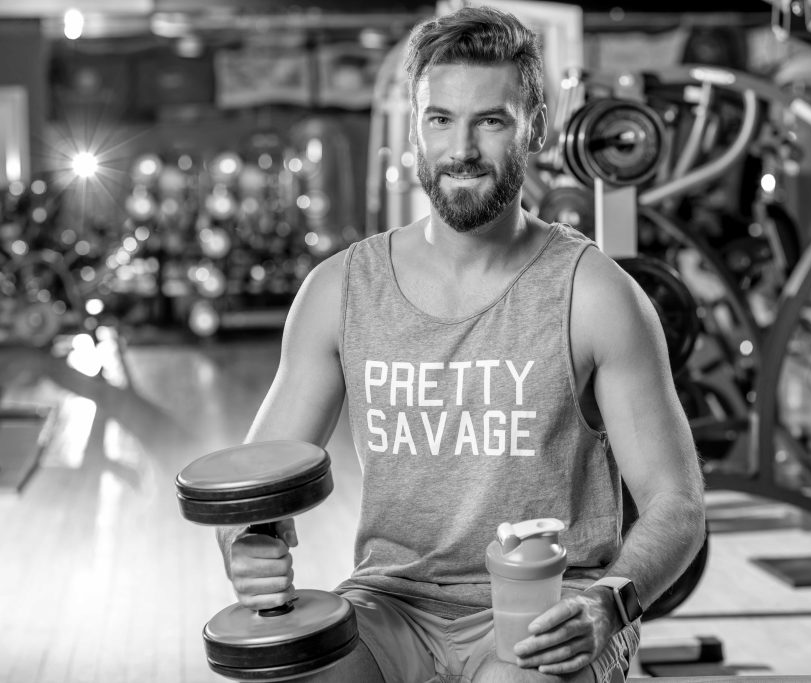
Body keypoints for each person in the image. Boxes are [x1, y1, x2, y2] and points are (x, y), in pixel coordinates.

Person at [215, 5, 706, 682]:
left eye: (491, 120)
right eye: (439, 119)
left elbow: (678, 506)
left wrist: (609, 601)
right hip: (389, 601)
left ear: (533, 127)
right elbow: (252, 489)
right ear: (413, 131)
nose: (462, 149)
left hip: (548, 607)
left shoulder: (595, 294)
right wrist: (248, 543)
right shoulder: (340, 290)